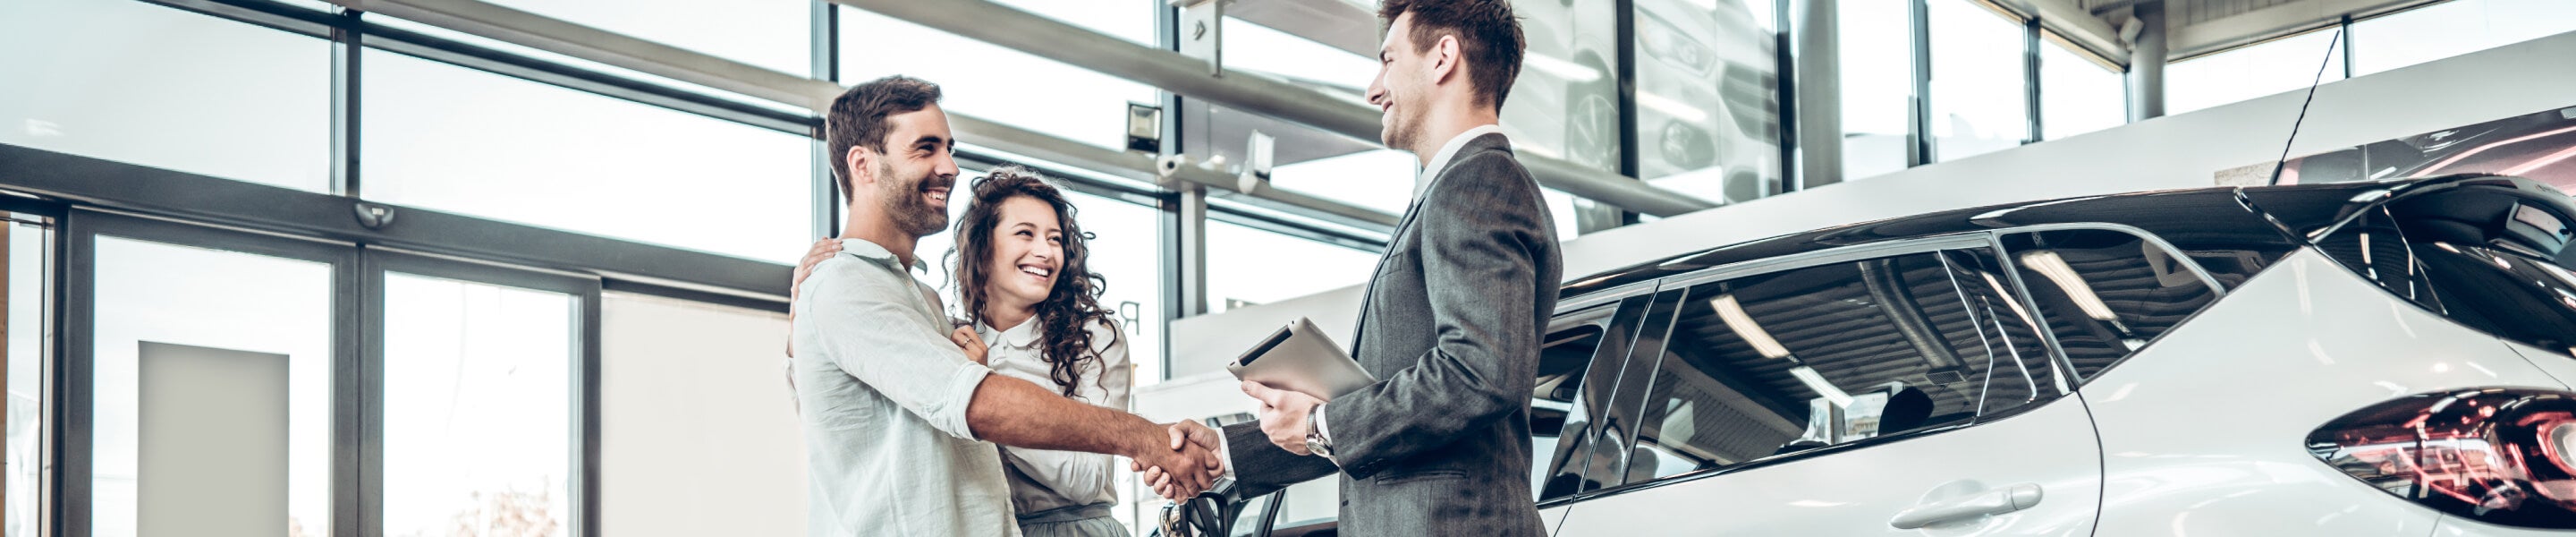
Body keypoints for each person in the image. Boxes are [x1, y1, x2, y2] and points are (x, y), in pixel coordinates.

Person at [1139, 1, 1562, 535]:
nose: (1374, 88)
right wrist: (1227, 452)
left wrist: (1320, 423)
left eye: (1388, 60)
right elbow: (1396, 416)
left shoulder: (1477, 183)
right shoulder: (1457, 192)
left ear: (1443, 58)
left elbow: (1480, 372)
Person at [786, 75, 1219, 537]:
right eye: (926, 148)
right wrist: (1143, 436)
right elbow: (976, 403)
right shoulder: (845, 282)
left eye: (949, 148)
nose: (950, 166)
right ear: (863, 165)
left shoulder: (922, 299)